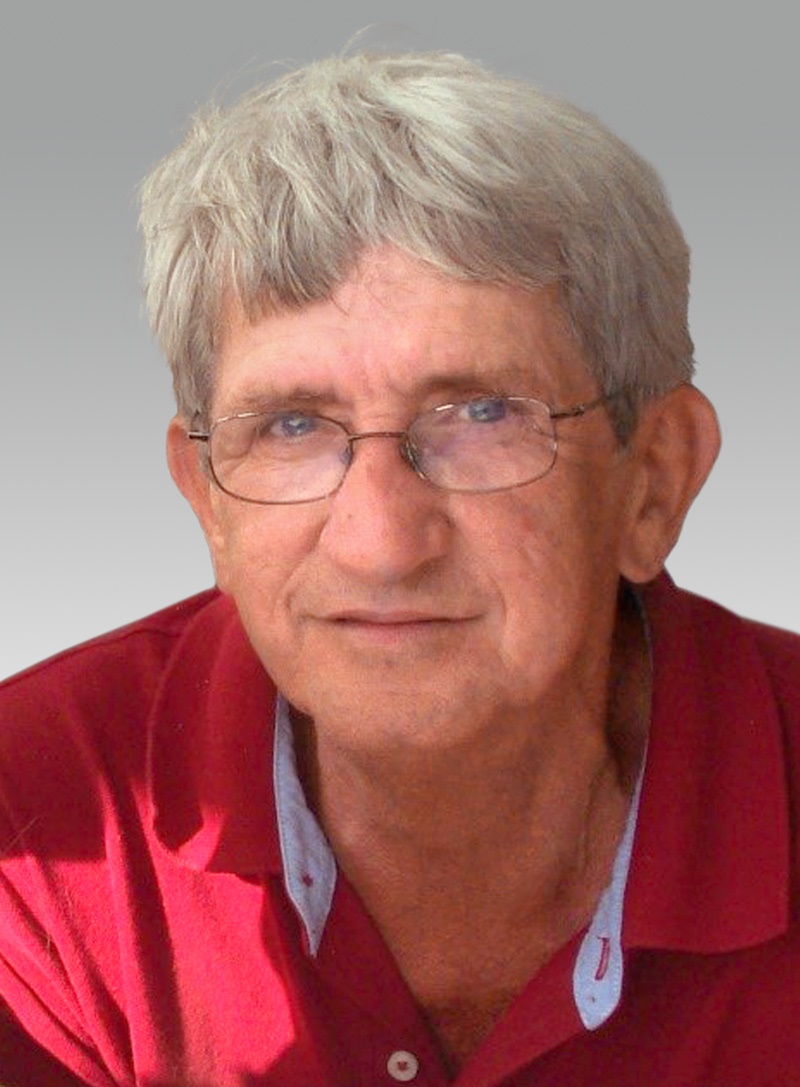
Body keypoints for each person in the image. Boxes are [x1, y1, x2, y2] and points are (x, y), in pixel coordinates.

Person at [1, 49, 798, 1087]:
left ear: (651, 480)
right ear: (207, 501)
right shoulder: (35, 808)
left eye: (482, 414)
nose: (380, 540)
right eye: (291, 425)